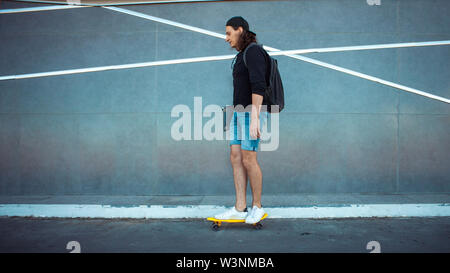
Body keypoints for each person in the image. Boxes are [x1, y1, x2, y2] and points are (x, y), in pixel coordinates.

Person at [214, 16, 269, 224]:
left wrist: (255, 117)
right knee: (235, 157)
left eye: (229, 33)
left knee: (249, 158)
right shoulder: (241, 55)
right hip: (237, 112)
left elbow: (259, 85)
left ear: (240, 30)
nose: (226, 38)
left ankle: (257, 206)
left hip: (250, 112)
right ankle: (239, 207)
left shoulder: (254, 51)